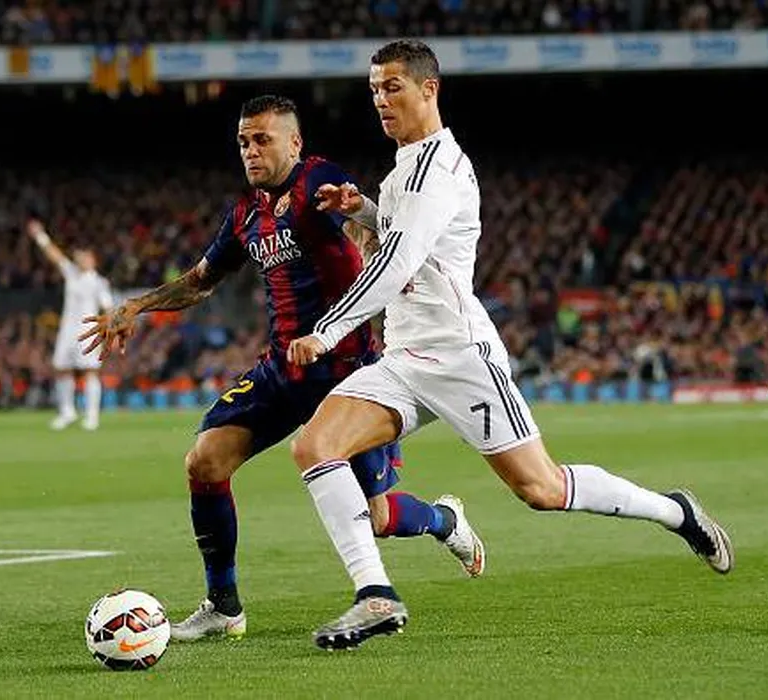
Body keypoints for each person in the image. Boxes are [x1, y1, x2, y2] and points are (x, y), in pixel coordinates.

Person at [286, 40, 735, 650]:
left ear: (429, 89)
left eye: (392, 87)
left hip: (460, 357)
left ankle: (675, 511)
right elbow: (407, 239)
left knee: (542, 490)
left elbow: (397, 262)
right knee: (315, 446)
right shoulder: (403, 173)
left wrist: (328, 329)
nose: (381, 101)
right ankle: (376, 595)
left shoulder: (434, 169)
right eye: (373, 91)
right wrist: (364, 209)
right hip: (405, 358)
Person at [80, 94, 485, 643]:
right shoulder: (245, 214)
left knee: (377, 517)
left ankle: (444, 521)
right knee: (205, 461)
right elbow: (200, 281)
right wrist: (135, 306)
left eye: (262, 140)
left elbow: (372, 229)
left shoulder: (319, 181)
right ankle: (223, 606)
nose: (250, 150)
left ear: (294, 143)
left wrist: (358, 222)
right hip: (282, 369)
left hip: (348, 371)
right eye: (243, 141)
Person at [26, 220, 113, 431]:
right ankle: (67, 412)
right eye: (79, 256)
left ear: (92, 260)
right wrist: (40, 236)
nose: (80, 259)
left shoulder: (99, 282)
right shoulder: (72, 274)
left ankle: (92, 416)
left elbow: (109, 308)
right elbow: (55, 256)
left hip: (87, 330)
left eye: (84, 256)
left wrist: (108, 332)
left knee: (90, 371)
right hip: (67, 329)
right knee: (62, 369)